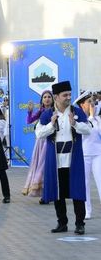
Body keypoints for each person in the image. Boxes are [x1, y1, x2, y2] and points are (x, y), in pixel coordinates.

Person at [36, 81, 91, 234]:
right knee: (58, 192)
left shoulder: (76, 111)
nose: (68, 97)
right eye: (64, 95)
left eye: (69, 94)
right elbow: (39, 134)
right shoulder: (48, 114)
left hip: (74, 158)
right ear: (56, 97)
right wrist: (51, 125)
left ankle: (80, 223)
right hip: (56, 159)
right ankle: (62, 223)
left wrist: (75, 124)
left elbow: (88, 130)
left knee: (77, 191)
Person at [73, 91, 101, 220]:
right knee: (85, 183)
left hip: (97, 154)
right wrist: (90, 117)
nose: (92, 104)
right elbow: (84, 132)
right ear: (82, 105)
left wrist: (94, 118)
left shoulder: (97, 119)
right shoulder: (77, 119)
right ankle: (87, 210)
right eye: (89, 102)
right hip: (83, 154)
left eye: (93, 101)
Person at [22, 90, 53, 202]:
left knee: (47, 167)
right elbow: (29, 121)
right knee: (40, 167)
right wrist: (30, 112)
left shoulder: (56, 111)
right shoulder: (41, 111)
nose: (47, 99)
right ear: (42, 100)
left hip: (51, 141)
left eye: (49, 96)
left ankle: (49, 193)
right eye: (45, 97)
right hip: (41, 142)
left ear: (53, 99)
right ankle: (44, 194)